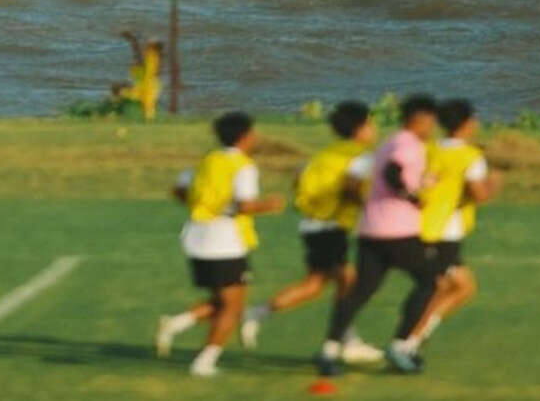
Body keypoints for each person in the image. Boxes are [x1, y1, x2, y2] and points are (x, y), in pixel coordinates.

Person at [240, 101, 383, 364]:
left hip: (312, 224)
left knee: (317, 285)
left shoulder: (325, 154)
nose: (374, 129)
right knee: (347, 282)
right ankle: (346, 342)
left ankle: (259, 314)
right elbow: (352, 189)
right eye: (371, 124)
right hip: (330, 226)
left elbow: (299, 178)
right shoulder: (360, 155)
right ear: (360, 128)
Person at [316, 94, 440, 376]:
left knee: (361, 292)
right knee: (430, 282)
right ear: (420, 120)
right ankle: (400, 345)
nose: (432, 127)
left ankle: (329, 351)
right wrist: (412, 196)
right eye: (431, 121)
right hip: (397, 231)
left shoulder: (389, 141)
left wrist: (419, 183)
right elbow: (392, 173)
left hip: (370, 229)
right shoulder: (408, 143)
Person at [155, 112, 285, 377]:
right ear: (244, 136)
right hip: (225, 241)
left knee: (222, 300)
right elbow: (244, 205)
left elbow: (179, 189)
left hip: (196, 237)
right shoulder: (243, 166)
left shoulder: (207, 160)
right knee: (233, 307)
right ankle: (204, 361)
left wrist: (201, 206)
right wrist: (269, 205)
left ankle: (176, 324)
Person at [404, 99, 501, 351]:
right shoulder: (470, 156)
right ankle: (410, 339)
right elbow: (478, 194)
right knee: (446, 287)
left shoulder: (430, 149)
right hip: (445, 230)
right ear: (468, 124)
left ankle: (416, 333)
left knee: (462, 286)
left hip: (419, 223)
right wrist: (493, 184)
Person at [120, 31, 163, 120]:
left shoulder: (151, 56)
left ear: (153, 47)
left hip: (146, 86)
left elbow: (139, 56)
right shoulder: (155, 56)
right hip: (149, 84)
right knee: (148, 108)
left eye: (149, 43)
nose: (147, 43)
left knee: (146, 106)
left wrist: (133, 40)